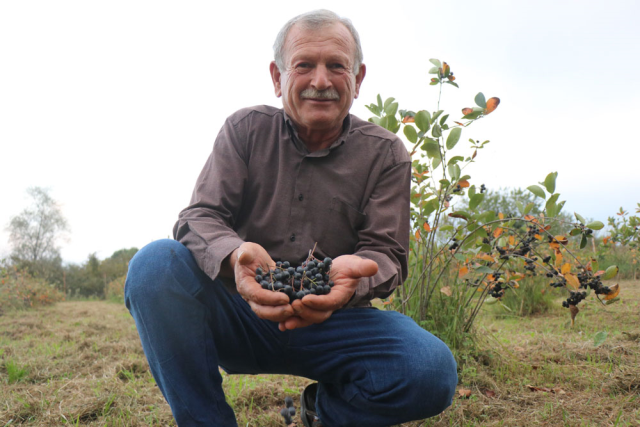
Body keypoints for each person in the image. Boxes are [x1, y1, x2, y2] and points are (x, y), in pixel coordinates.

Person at [125, 9, 457, 427]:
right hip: (244, 311)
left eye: (337, 66)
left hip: (336, 321)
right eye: (304, 65)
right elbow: (201, 217)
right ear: (278, 77)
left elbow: (387, 252)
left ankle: (325, 413)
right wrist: (235, 255)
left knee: (430, 369)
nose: (321, 81)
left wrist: (356, 279)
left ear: (358, 79)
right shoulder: (245, 131)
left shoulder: (385, 154)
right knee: (154, 265)